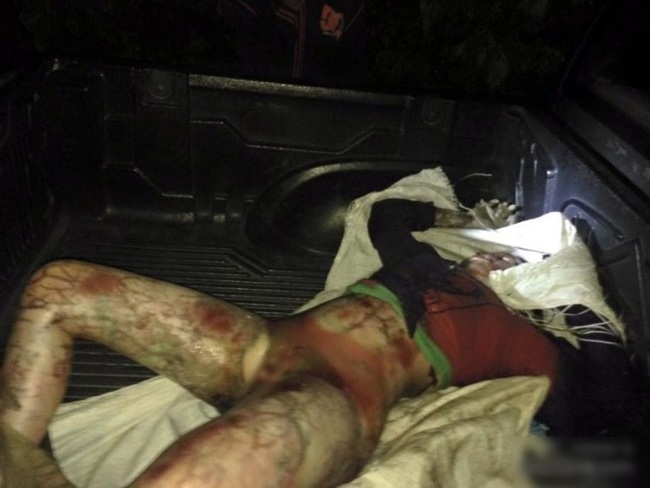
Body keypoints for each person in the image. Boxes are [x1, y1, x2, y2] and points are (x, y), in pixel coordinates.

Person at [0, 199, 631, 487]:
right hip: (262, 346)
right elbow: (388, 213)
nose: (497, 261)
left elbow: (602, 402)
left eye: (513, 261)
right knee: (59, 288)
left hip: (336, 397)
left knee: (223, 462)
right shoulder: (423, 261)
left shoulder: (522, 341)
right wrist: (460, 223)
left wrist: (573, 302)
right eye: (494, 254)